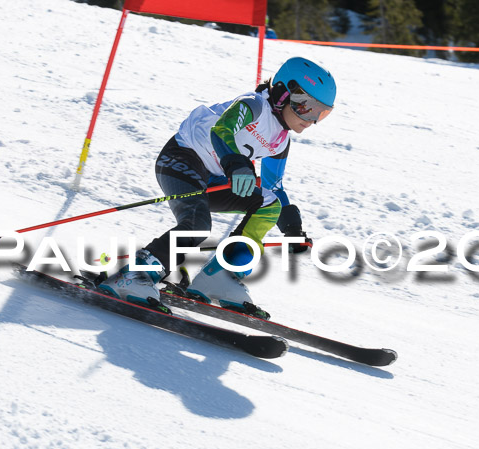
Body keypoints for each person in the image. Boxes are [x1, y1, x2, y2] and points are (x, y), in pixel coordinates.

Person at [98, 57, 337, 318]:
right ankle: (135, 275)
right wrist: (236, 163)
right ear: (282, 92)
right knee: (197, 224)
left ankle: (220, 275)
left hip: (215, 178)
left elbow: (274, 186)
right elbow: (222, 130)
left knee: (268, 205)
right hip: (181, 159)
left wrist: (291, 228)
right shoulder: (253, 105)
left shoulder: (280, 140)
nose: (311, 119)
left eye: (321, 113)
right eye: (306, 107)